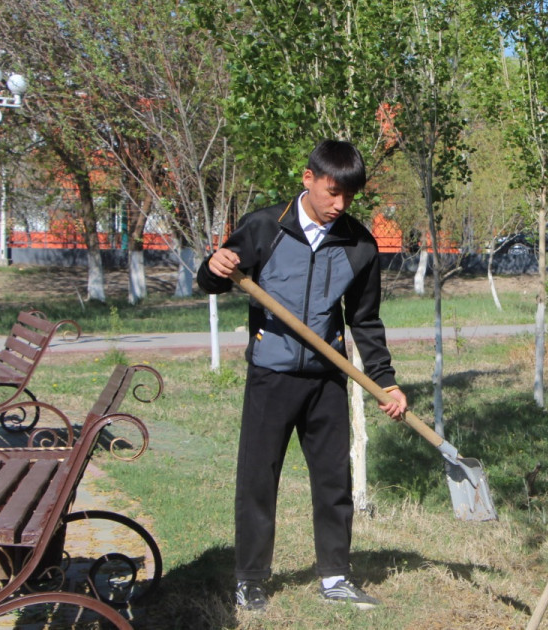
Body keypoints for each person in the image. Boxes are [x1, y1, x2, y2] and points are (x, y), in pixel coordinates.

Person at [197, 139, 407, 613]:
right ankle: (250, 579)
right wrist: (215, 266)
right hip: (271, 375)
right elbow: (212, 278)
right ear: (308, 179)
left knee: (334, 480)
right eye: (332, 193)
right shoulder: (264, 228)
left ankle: (335, 575)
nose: (339, 205)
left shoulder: (359, 244)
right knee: (258, 478)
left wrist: (385, 379)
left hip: (327, 377)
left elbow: (366, 321)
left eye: (349, 197)